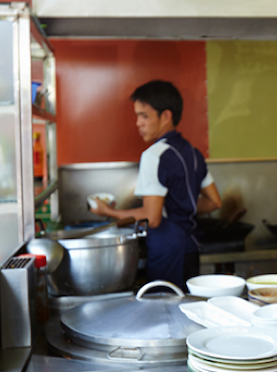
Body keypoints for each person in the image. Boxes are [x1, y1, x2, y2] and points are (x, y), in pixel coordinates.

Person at [90, 80, 221, 291]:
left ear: (166, 116)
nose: (138, 123)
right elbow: (214, 201)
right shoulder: (194, 154)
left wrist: (109, 212)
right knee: (186, 309)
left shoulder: (154, 155)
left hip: (167, 250)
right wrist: (181, 207)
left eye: (144, 116)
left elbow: (152, 218)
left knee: (163, 312)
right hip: (191, 248)